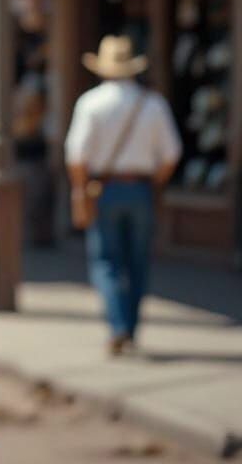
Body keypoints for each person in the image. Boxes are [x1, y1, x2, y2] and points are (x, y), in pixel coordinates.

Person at [65, 35, 182, 356]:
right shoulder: (153, 104)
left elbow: (76, 156)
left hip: (104, 188)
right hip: (141, 188)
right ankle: (129, 328)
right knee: (138, 261)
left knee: (107, 261)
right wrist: (152, 182)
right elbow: (171, 154)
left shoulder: (91, 103)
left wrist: (80, 191)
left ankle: (117, 326)